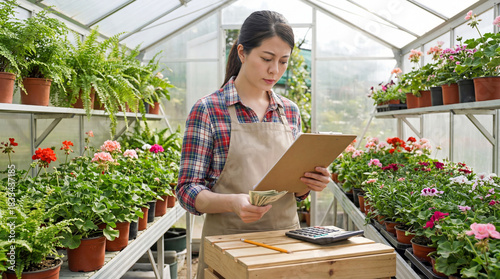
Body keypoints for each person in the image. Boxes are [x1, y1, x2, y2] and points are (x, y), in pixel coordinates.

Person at [176, 10, 331, 278]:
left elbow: (294, 188)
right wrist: (233, 203)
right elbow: (187, 190)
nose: (275, 70)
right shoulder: (209, 110)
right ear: (242, 53)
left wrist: (310, 183)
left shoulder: (289, 112)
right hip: (227, 248)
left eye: (284, 61)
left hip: (286, 244)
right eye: (267, 59)